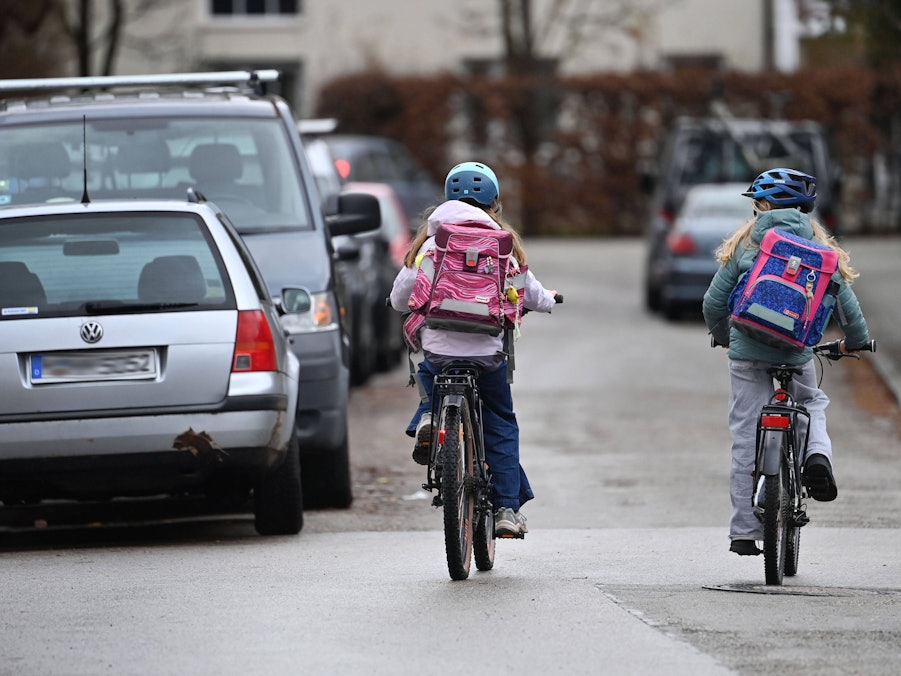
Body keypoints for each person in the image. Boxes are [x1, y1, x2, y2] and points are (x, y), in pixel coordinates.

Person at [702, 167, 870, 557]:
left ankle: (744, 531)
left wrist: (727, 337)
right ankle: (815, 456)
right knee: (811, 404)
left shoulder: (747, 244)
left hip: (746, 354)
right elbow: (848, 306)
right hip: (796, 353)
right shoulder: (820, 248)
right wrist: (856, 343)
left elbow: (713, 303)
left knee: (746, 435)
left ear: (761, 207)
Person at [389, 161, 559, 538]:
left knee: (429, 372)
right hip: (487, 352)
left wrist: (397, 299)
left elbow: (403, 297)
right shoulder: (503, 246)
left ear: (447, 199)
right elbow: (530, 291)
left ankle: (430, 418)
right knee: (500, 420)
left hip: (439, 348)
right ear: (494, 204)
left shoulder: (432, 244)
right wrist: (549, 300)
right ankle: (506, 511)